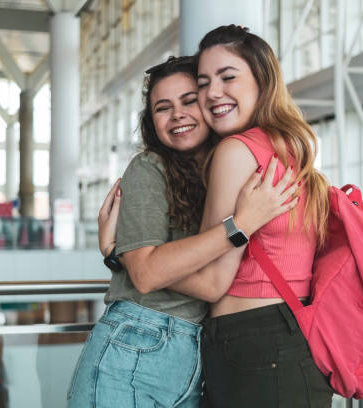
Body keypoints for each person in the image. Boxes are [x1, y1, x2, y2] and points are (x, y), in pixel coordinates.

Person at [67, 56, 298, 408]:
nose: (177, 114)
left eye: (189, 101)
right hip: (135, 342)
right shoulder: (149, 168)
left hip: (194, 351)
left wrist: (120, 254)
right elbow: (146, 276)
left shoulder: (227, 170)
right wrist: (240, 226)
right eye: (163, 108)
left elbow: (184, 277)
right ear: (150, 122)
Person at [192, 25, 334, 407]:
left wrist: (134, 261)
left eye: (227, 77)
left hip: (252, 344)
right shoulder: (291, 148)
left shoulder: (236, 151)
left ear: (262, 81)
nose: (212, 93)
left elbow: (210, 281)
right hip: (293, 341)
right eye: (203, 83)